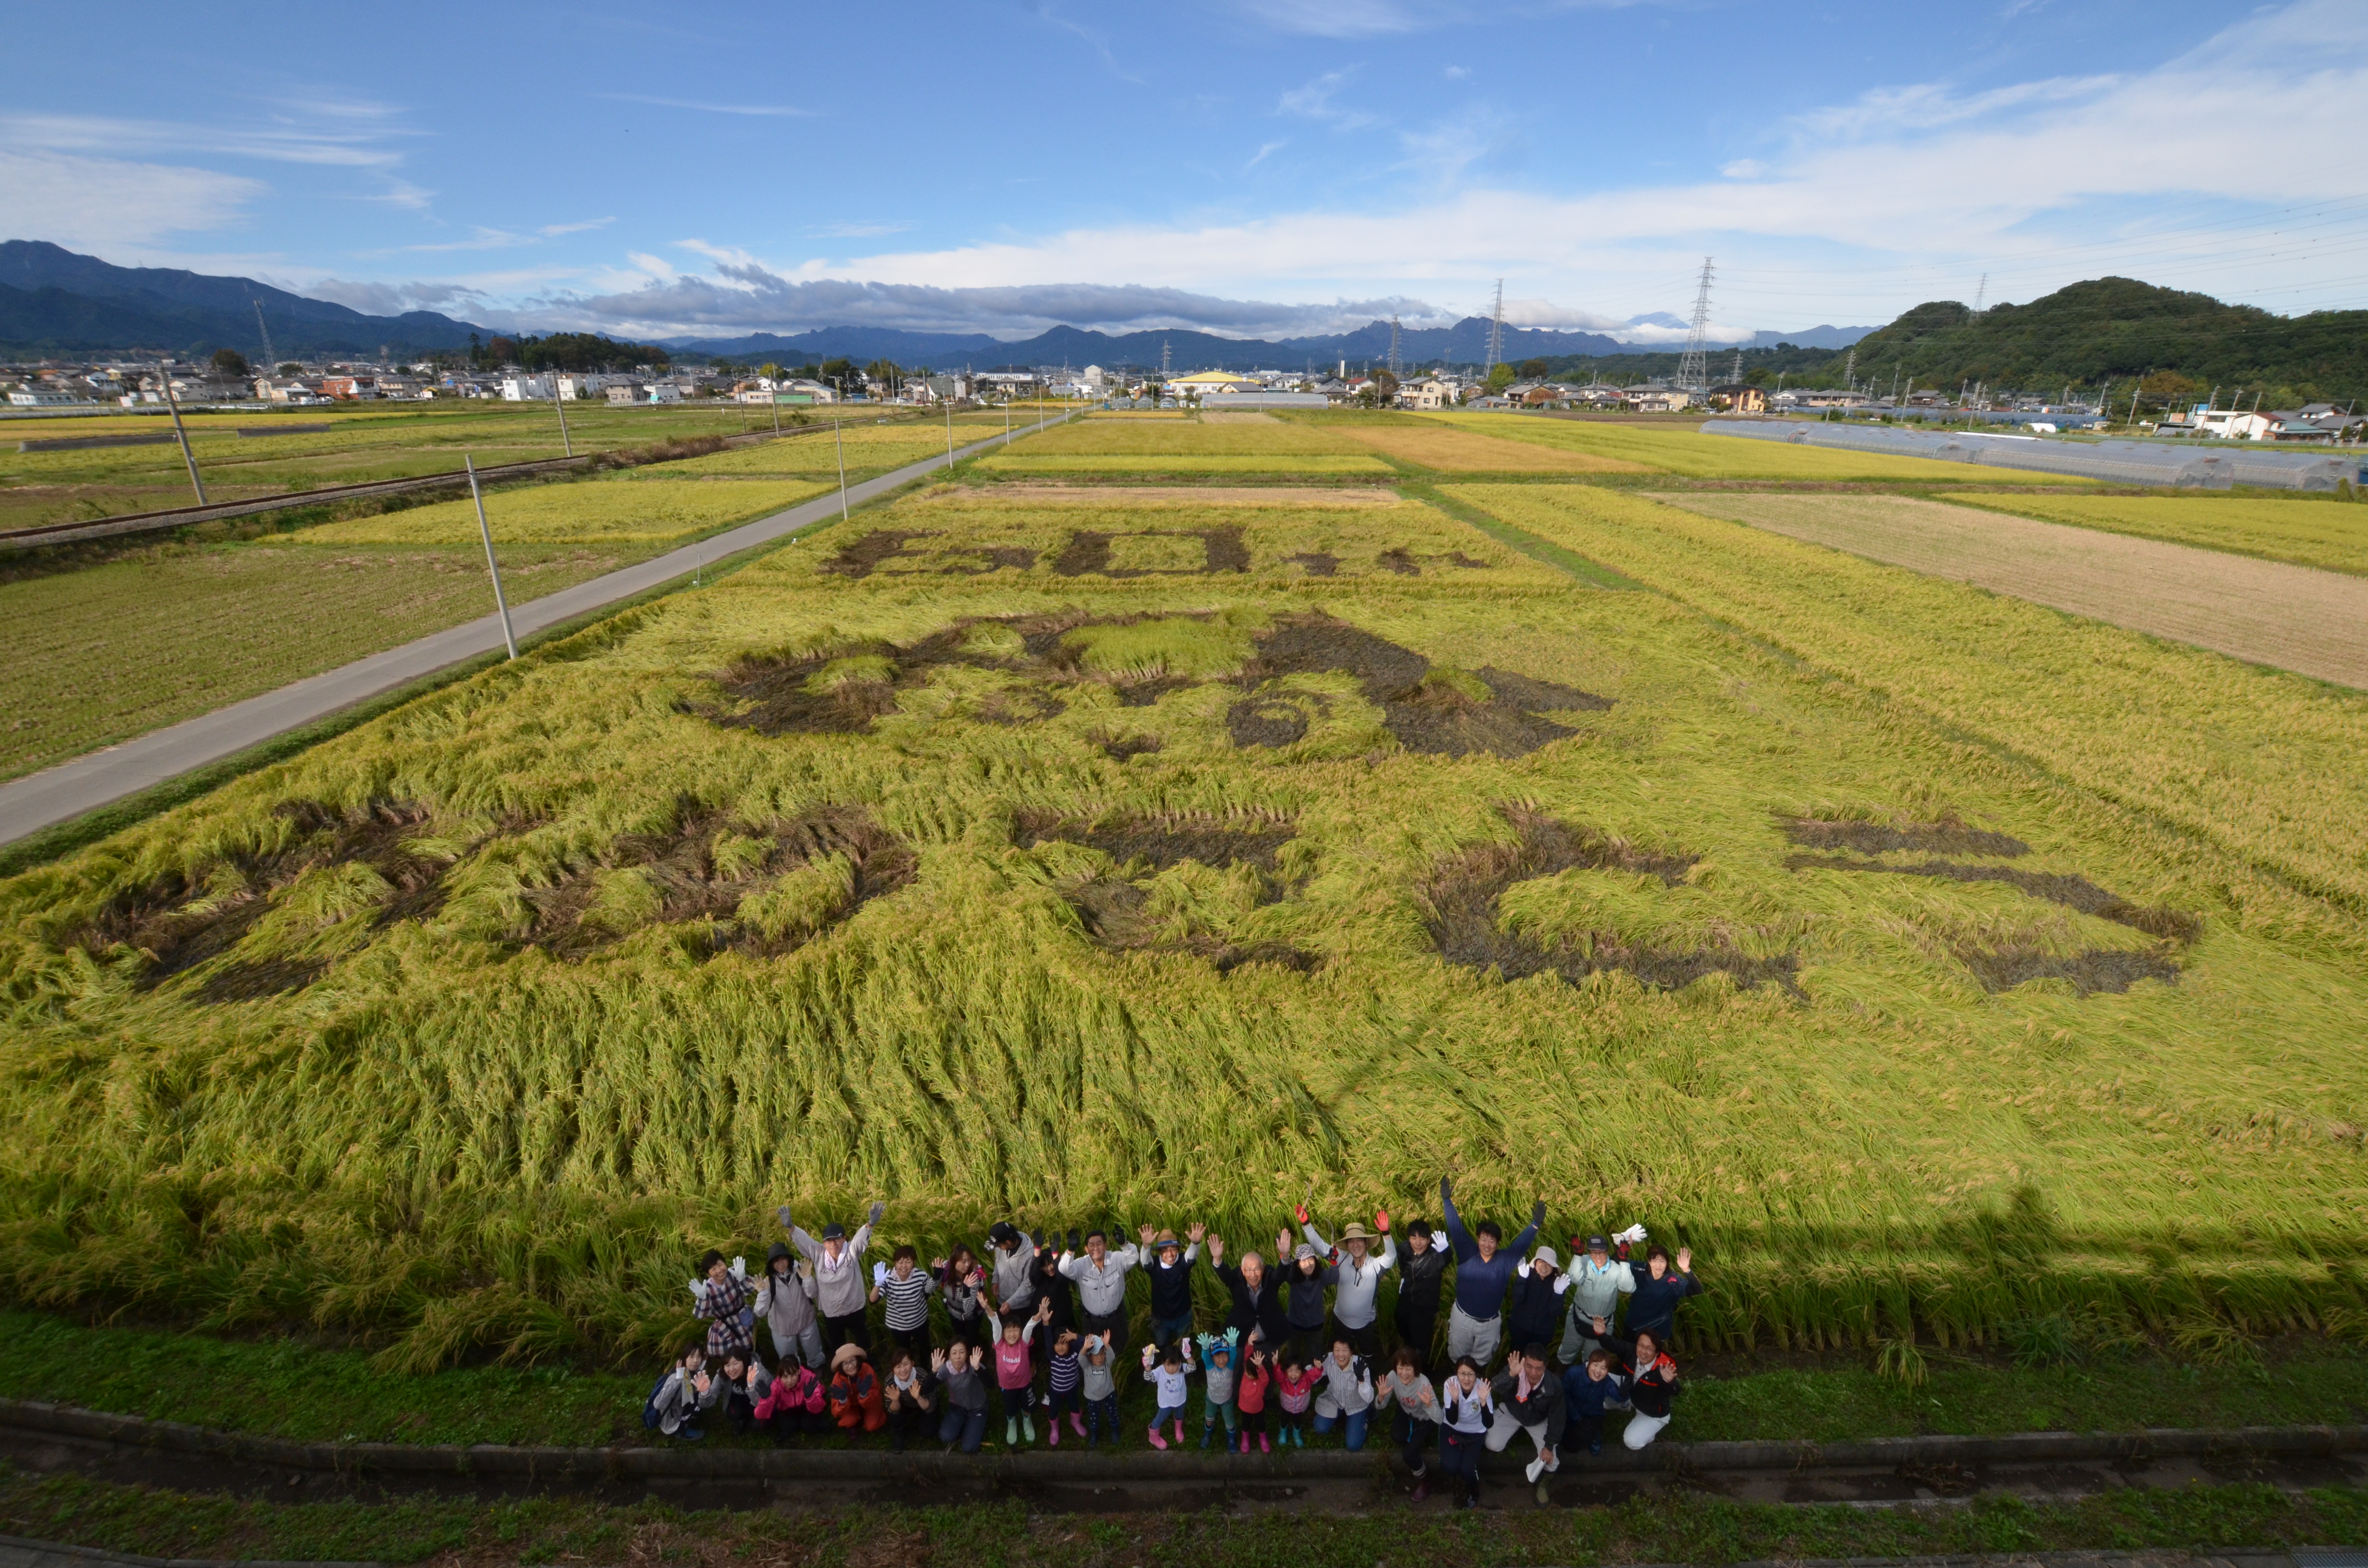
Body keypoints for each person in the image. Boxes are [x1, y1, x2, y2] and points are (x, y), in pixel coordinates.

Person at [1440, 1176, 1543, 1367]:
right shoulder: (1467, 1252)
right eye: (1483, 1239)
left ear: (1498, 1244)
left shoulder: (1504, 1261)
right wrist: (1447, 1201)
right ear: (1478, 1239)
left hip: (1489, 1324)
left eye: (1492, 1241)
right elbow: (1456, 1228)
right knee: (1457, 1358)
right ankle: (1454, 1390)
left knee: (1480, 1362)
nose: (1487, 1245)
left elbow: (1520, 1245)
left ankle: (1478, 1391)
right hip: (1462, 1318)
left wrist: (1534, 1225)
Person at [786, 1200, 884, 1355]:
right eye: (828, 1241)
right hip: (832, 1312)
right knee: (837, 1344)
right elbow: (806, 1241)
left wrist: (870, 1225)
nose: (833, 1244)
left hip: (855, 1308)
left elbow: (859, 1240)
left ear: (844, 1238)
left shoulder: (851, 1251)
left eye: (836, 1239)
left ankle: (870, 1365)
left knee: (863, 1340)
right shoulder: (818, 1253)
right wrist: (792, 1228)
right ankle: (840, 1371)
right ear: (824, 1243)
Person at [1302, 1209, 1395, 1359]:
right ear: (1347, 1245)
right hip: (1340, 1321)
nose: (1355, 1245)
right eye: (1351, 1241)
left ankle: (1365, 1379)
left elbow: (1391, 1257)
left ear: (1366, 1243)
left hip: (1366, 1324)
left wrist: (1386, 1233)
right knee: (1340, 1356)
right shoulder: (1341, 1259)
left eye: (1359, 1240)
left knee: (1367, 1355)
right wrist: (1306, 1224)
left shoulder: (1376, 1266)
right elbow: (1319, 1245)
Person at [1486, 1341, 1568, 1501]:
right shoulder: (1515, 1370)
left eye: (1539, 1368)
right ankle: (1511, 1432)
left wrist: (1549, 1445)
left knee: (1551, 1462)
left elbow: (1558, 1417)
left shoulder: (1554, 1385)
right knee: (1493, 1444)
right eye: (1529, 1366)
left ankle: (1543, 1485)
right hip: (1512, 1412)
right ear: (1524, 1362)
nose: (1533, 1373)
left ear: (1545, 1367)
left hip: (1537, 1420)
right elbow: (1495, 1386)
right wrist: (1511, 1375)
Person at [1596, 1323, 1680, 1449]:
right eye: (1641, 1345)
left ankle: (1649, 1431)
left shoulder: (1662, 1369)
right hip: (1631, 1393)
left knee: (1631, 1442)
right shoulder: (1631, 1351)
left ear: (1657, 1353)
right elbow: (1613, 1344)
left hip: (1650, 1411)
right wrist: (1601, 1334)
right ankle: (1622, 1404)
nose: (1643, 1352)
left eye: (1649, 1349)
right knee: (1593, 1371)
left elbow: (1676, 1390)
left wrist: (1668, 1381)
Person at [1558, 1232, 1636, 1367]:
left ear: (1608, 1252)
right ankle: (1562, 1371)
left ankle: (1587, 1380)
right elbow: (1575, 1278)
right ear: (1588, 1252)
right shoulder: (1583, 1260)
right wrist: (1578, 1255)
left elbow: (1629, 1287)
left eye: (1602, 1252)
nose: (1598, 1256)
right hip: (1578, 1317)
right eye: (1594, 1253)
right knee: (1568, 1349)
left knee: (1593, 1358)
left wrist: (1624, 1261)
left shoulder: (1617, 1269)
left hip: (1602, 1324)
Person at [1372, 1344, 1440, 1500]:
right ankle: (1412, 1433)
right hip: (1405, 1411)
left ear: (1415, 1368)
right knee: (1397, 1436)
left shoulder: (1424, 1384)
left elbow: (1440, 1418)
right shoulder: (1392, 1377)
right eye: (1400, 1368)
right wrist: (1381, 1397)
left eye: (1408, 1368)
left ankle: (1426, 1481)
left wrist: (1429, 1405)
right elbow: (1380, 1406)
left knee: (1409, 1454)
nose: (1404, 1373)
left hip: (1424, 1418)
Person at [1060, 1227, 1141, 1355]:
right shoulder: (1081, 1265)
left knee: (1119, 1350)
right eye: (1092, 1245)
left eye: (1099, 1244)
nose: (1096, 1248)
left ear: (1106, 1245)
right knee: (1094, 1353)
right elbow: (1064, 1269)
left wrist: (1123, 1244)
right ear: (1086, 1249)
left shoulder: (1117, 1258)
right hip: (1093, 1322)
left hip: (1116, 1319)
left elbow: (1133, 1258)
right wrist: (1071, 1249)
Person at [1206, 1234, 1291, 1352]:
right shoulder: (1237, 1279)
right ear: (1243, 1270)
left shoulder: (1270, 1277)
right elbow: (1225, 1274)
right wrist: (1217, 1259)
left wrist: (1286, 1255)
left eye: (1257, 1269)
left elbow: (1280, 1275)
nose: (1253, 1274)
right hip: (1244, 1343)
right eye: (1249, 1270)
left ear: (1262, 1269)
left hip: (1270, 1341)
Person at [987, 1298, 1054, 1447]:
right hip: (1007, 1386)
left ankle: (1026, 1419)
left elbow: (1030, 1327)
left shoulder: (1024, 1343)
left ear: (1020, 1331)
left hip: (1025, 1384)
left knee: (1027, 1406)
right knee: (1010, 1408)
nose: (1012, 1334)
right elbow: (995, 1324)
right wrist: (987, 1308)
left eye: (1015, 1329)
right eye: (1008, 1331)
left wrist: (1040, 1314)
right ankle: (1012, 1422)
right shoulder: (999, 1344)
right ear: (1003, 1334)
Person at [755, 1240, 825, 1371]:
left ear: (789, 1258)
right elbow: (760, 1312)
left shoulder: (800, 1272)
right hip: (782, 1327)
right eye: (776, 1261)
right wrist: (763, 1294)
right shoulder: (768, 1282)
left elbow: (813, 1293)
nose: (780, 1264)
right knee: (788, 1360)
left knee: (814, 1350)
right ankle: (794, 1379)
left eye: (783, 1259)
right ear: (771, 1264)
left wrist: (808, 1278)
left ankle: (818, 1370)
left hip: (806, 1320)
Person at [1436, 1355, 1494, 1509]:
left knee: (1467, 1470)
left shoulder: (1483, 1388)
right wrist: (1454, 1400)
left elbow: (1489, 1423)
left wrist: (1483, 1402)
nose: (1467, 1379)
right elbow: (1452, 1419)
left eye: (1471, 1374)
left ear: (1477, 1375)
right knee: (1449, 1467)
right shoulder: (1450, 1385)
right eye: (1462, 1374)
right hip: (1452, 1427)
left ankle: (1474, 1490)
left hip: (1475, 1431)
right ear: (1457, 1373)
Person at [1394, 1216, 1451, 1369]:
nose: (1418, 1243)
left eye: (1422, 1239)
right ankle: (1408, 1354)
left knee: (1421, 1340)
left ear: (1429, 1240)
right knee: (1400, 1322)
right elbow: (1402, 1266)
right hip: (1407, 1298)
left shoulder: (1434, 1255)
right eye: (1414, 1238)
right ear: (1409, 1239)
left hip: (1425, 1305)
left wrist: (1446, 1251)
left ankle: (1420, 1368)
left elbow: (1447, 1260)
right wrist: (1402, 1281)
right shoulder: (1404, 1249)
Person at [1560, 1345, 1631, 1458]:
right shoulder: (1573, 1373)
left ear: (1607, 1371)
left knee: (1574, 1446)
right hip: (1570, 1412)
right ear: (1589, 1363)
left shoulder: (1607, 1382)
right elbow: (1565, 1395)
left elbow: (1616, 1395)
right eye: (1596, 1365)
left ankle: (1595, 1435)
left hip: (1592, 1415)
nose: (1598, 1371)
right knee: (1561, 1438)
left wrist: (1623, 1394)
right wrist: (1577, 1418)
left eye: (1604, 1368)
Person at [1143, 1224, 1205, 1350]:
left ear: (1178, 1249)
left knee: (1184, 1347)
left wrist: (1196, 1243)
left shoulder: (1183, 1262)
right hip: (1160, 1319)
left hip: (1183, 1316)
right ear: (1160, 1252)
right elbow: (1145, 1261)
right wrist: (1146, 1246)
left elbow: (1191, 1256)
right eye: (1165, 1250)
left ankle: (1186, 1366)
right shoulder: (1154, 1265)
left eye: (1173, 1249)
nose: (1170, 1254)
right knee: (1161, 1345)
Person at [1623, 1244, 1699, 1345]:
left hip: (1657, 1330)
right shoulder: (1641, 1269)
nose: (1658, 1265)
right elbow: (1618, 1263)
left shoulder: (1672, 1280)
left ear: (1667, 1263)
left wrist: (1686, 1270)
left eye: (1662, 1261)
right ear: (1649, 1262)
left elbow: (1696, 1290)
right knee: (1628, 1357)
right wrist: (1625, 1245)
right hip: (1633, 1327)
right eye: (1654, 1261)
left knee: (1651, 1358)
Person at [872, 1245, 937, 1362]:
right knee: (904, 1351)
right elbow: (873, 1300)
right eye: (900, 1262)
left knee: (925, 1347)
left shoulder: (921, 1276)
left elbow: (928, 1291)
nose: (904, 1266)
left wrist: (937, 1275)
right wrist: (878, 1284)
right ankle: (907, 1373)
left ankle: (925, 1369)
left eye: (908, 1262)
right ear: (895, 1263)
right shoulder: (888, 1279)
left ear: (914, 1263)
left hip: (920, 1321)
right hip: (898, 1325)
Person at [1505, 1245, 1569, 1362]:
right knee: (1516, 1358)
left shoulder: (1559, 1283)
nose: (1544, 1267)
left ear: (1553, 1267)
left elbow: (1555, 1312)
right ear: (1535, 1263)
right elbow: (1517, 1299)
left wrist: (1558, 1293)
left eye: (1549, 1264)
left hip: (1542, 1333)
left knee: (1535, 1362)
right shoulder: (1526, 1276)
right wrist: (1522, 1279)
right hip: (1520, 1327)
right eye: (1541, 1262)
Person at [1310, 1335, 1375, 1450]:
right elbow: (1310, 1379)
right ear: (1333, 1351)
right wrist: (1316, 1367)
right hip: (1336, 1400)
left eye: (1345, 1350)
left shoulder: (1360, 1365)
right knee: (1320, 1427)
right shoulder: (1328, 1360)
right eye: (1337, 1350)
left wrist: (1361, 1379)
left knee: (1353, 1445)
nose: (1341, 1355)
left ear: (1351, 1352)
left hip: (1357, 1405)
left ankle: (1367, 1414)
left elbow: (1369, 1397)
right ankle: (1343, 1416)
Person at [690, 1250, 755, 1362]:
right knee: (727, 1355)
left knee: (749, 1348)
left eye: (720, 1265)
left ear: (725, 1263)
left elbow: (751, 1289)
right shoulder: (707, 1288)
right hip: (724, 1323)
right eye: (714, 1269)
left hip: (742, 1315)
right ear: (708, 1273)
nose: (719, 1271)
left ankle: (752, 1368)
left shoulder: (734, 1274)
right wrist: (703, 1298)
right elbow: (701, 1315)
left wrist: (742, 1279)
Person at [1280, 1234, 1334, 1365]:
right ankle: (1291, 1379)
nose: (1308, 1264)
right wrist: (1285, 1255)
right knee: (1292, 1354)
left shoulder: (1320, 1274)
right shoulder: (1293, 1276)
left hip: (1316, 1325)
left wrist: (1334, 1262)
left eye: (1311, 1259)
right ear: (1298, 1264)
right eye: (1303, 1261)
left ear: (1316, 1260)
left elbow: (1333, 1279)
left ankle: (1312, 1380)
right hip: (1295, 1323)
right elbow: (1282, 1273)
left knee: (1314, 1357)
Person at [645, 1344, 716, 1441]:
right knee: (699, 1401)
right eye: (691, 1356)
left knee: (701, 1395)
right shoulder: (676, 1377)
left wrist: (703, 1362)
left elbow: (698, 1376)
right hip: (671, 1418)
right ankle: (681, 1430)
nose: (695, 1361)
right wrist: (677, 1379)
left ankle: (690, 1420)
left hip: (680, 1408)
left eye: (699, 1357)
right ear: (685, 1358)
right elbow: (658, 1404)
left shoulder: (691, 1372)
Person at [753, 1354, 827, 1444]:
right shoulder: (776, 1385)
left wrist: (810, 1397)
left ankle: (818, 1422)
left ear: (799, 1371)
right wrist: (765, 1400)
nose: (789, 1380)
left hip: (807, 1406)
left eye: (793, 1375)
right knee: (788, 1427)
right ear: (780, 1377)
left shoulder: (810, 1379)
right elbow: (760, 1415)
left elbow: (819, 1407)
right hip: (788, 1409)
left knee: (809, 1427)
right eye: (785, 1377)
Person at [932, 1341, 990, 1454]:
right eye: (954, 1353)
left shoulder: (973, 1365)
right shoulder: (945, 1369)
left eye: (962, 1352)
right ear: (949, 1356)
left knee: (968, 1448)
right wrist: (934, 1371)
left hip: (978, 1408)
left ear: (967, 1354)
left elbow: (991, 1384)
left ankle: (974, 1424)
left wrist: (978, 1368)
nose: (958, 1356)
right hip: (958, 1408)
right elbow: (927, 1388)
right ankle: (966, 1426)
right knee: (946, 1437)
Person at [1141, 1339, 1195, 1450]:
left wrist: (1188, 1355)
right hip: (1166, 1402)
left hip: (1180, 1399)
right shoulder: (1160, 1371)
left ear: (1180, 1363)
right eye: (1168, 1365)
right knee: (1160, 1418)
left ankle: (1178, 1429)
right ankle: (1153, 1436)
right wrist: (1148, 1367)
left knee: (1180, 1414)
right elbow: (1148, 1377)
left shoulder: (1181, 1369)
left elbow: (1192, 1368)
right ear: (1163, 1363)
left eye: (1175, 1365)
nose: (1172, 1369)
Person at [881, 1348, 937, 1452]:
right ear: (893, 1369)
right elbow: (891, 1410)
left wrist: (918, 1397)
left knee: (929, 1432)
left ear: (912, 1363)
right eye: (898, 1366)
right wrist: (896, 1400)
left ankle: (917, 1422)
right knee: (894, 1415)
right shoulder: (890, 1381)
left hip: (921, 1406)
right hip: (904, 1407)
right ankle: (899, 1430)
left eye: (906, 1364)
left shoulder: (922, 1375)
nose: (903, 1370)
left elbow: (931, 1406)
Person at [1195, 1328, 1242, 1451]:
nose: (1222, 1360)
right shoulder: (1210, 1365)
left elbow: (1234, 1355)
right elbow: (1205, 1357)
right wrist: (1205, 1348)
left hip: (1227, 1399)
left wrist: (1232, 1345)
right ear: (1212, 1358)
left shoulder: (1230, 1365)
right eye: (1218, 1356)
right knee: (1209, 1418)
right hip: (1211, 1399)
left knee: (1230, 1422)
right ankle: (1208, 1434)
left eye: (1225, 1355)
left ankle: (1231, 1439)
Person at [937, 1244, 989, 1351]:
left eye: (969, 1260)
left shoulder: (973, 1278)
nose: (967, 1265)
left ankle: (974, 1361)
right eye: (963, 1261)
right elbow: (929, 1290)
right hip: (954, 1314)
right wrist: (935, 1275)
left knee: (972, 1341)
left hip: (972, 1316)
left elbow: (968, 1310)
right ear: (954, 1261)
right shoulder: (946, 1272)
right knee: (960, 1339)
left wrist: (966, 1290)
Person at [827, 1342, 886, 1433]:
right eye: (846, 1363)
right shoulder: (838, 1379)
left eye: (852, 1361)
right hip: (850, 1405)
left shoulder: (867, 1370)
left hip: (869, 1401)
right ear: (841, 1367)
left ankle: (868, 1415)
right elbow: (835, 1411)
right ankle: (856, 1419)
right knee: (849, 1421)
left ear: (858, 1360)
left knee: (872, 1425)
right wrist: (842, 1400)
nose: (850, 1366)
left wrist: (864, 1395)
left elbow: (875, 1392)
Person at [715, 1350, 774, 1437]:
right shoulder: (723, 1373)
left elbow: (763, 1401)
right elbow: (709, 1397)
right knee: (733, 1413)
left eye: (736, 1363)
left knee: (757, 1426)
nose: (732, 1369)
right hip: (742, 1399)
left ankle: (754, 1417)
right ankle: (743, 1419)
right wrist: (704, 1393)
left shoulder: (758, 1373)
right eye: (728, 1365)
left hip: (761, 1401)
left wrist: (751, 1387)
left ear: (744, 1362)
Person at [986, 1221, 1037, 1320]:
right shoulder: (999, 1248)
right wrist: (995, 1280)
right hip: (1001, 1303)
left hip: (1021, 1308)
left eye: (999, 1245)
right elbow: (998, 1264)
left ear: (1008, 1242)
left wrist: (1010, 1303)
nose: (998, 1248)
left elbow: (1028, 1284)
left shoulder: (1030, 1255)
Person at [1080, 1332, 1122, 1446]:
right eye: (1096, 1355)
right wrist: (1085, 1348)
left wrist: (1107, 1345)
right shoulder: (1086, 1366)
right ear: (1089, 1356)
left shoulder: (1107, 1364)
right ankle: (1094, 1434)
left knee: (1113, 1413)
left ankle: (1115, 1430)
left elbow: (1112, 1356)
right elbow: (1080, 1358)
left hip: (1109, 1395)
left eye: (1102, 1354)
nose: (1100, 1358)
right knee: (1094, 1417)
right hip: (1092, 1398)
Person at [1045, 1327, 1085, 1446]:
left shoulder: (1075, 1353)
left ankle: (1075, 1422)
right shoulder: (1052, 1355)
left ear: (1070, 1344)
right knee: (1053, 1410)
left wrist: (1076, 1337)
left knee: (1074, 1406)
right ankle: (1055, 1429)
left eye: (1064, 1343)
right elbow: (1047, 1338)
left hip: (1072, 1387)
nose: (1060, 1347)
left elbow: (1089, 1344)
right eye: (1057, 1344)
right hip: (1056, 1389)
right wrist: (1046, 1323)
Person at [1233, 1338, 1273, 1454]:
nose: (1246, 1374)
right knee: (1245, 1424)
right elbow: (1247, 1357)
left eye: (1249, 1374)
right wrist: (1250, 1344)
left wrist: (1260, 1367)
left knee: (1261, 1424)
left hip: (1258, 1409)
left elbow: (1265, 1377)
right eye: (1246, 1372)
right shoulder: (1246, 1374)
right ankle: (1245, 1438)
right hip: (1245, 1408)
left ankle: (1263, 1438)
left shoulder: (1262, 1382)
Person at [1273, 1353, 1318, 1448]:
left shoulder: (1307, 1379)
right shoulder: (1283, 1379)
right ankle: (1283, 1434)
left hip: (1299, 1408)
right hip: (1286, 1406)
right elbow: (1277, 1375)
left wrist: (1318, 1369)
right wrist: (1276, 1365)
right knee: (1284, 1420)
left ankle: (1296, 1435)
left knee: (1297, 1421)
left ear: (1302, 1372)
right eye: (1290, 1371)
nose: (1293, 1375)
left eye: (1297, 1371)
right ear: (1286, 1371)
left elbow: (1314, 1375)